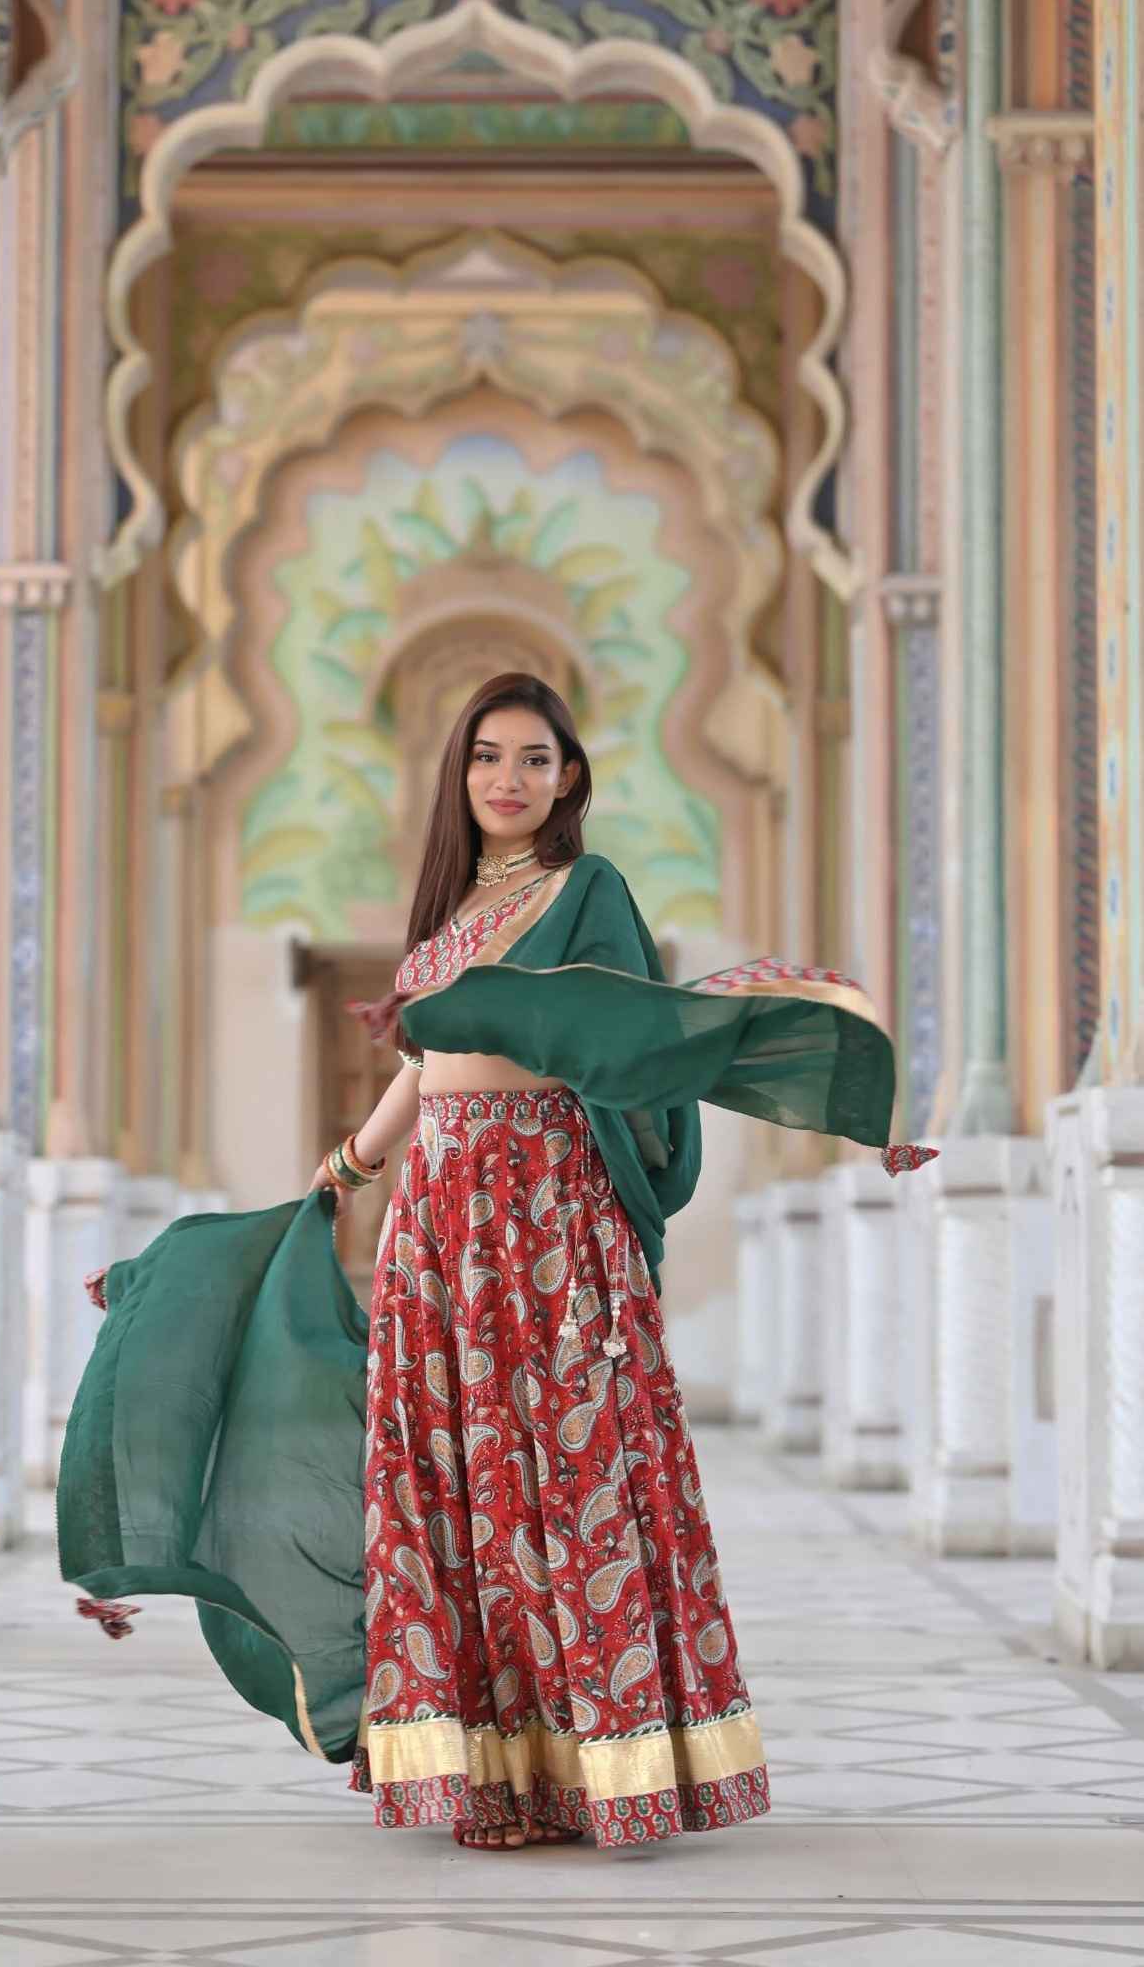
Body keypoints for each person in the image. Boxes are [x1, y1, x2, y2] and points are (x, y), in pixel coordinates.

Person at [60, 669, 934, 1854]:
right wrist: (340, 1175)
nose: (507, 779)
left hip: (549, 1212)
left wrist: (847, 1099)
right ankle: (483, 1770)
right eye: (486, 757)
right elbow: (425, 1070)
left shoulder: (590, 890)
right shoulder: (451, 913)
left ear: (569, 774)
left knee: (560, 1483)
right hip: (439, 1218)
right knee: (448, 1481)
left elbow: (633, 1033)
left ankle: (595, 1768)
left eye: (532, 758)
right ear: (457, 774)